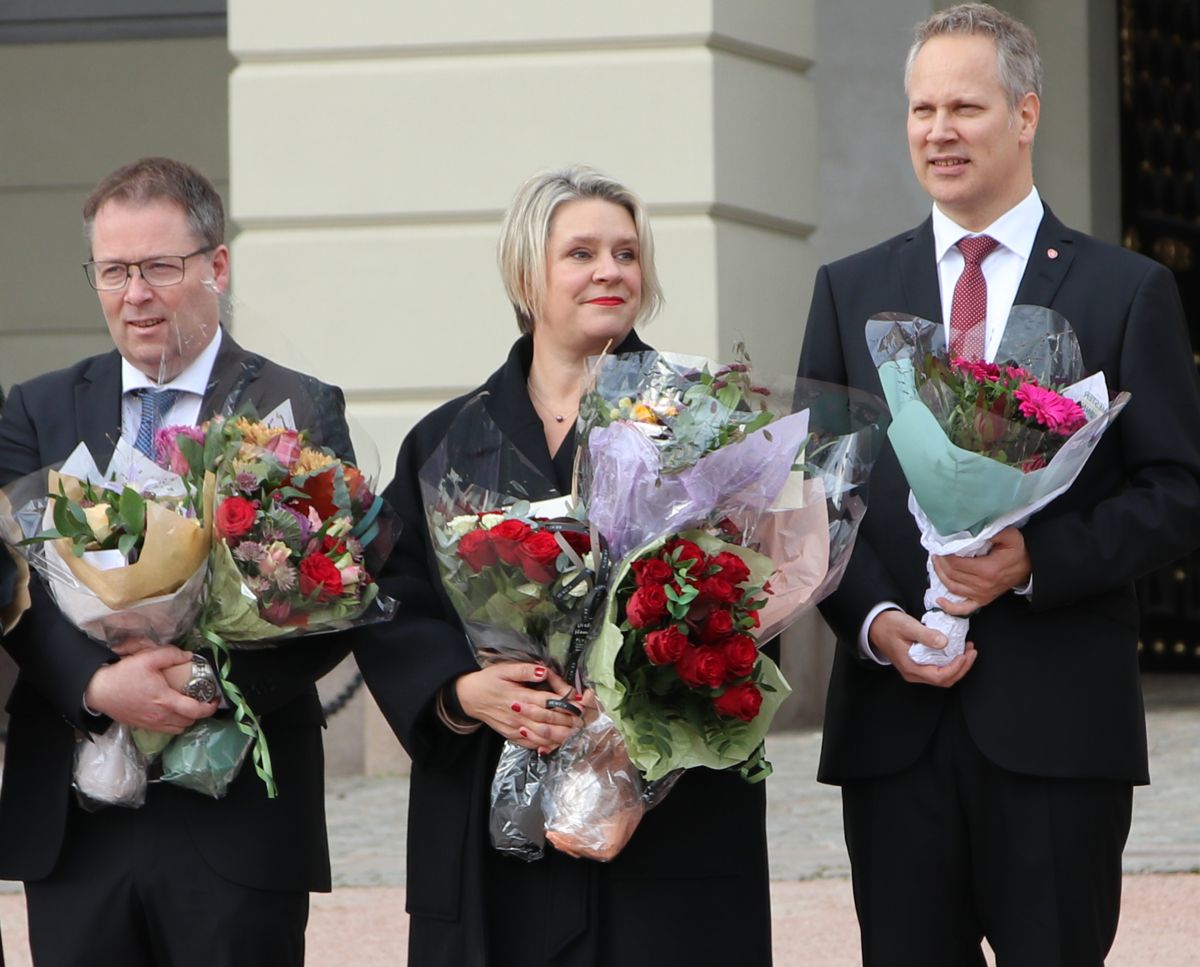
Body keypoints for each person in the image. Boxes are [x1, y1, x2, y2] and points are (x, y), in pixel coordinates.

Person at [799, 5, 1200, 965]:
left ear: (1025, 115)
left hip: (1058, 730)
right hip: (894, 734)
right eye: (921, 108)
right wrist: (874, 620)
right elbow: (812, 496)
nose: (938, 131)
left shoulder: (1124, 290)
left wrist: (1035, 561)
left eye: (965, 107)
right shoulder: (849, 289)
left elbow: (1178, 490)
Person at [354, 164, 775, 966]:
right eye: (580, 252)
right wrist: (463, 690)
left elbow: (759, 598)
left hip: (664, 821)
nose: (609, 270)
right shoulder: (446, 441)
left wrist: (643, 720)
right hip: (493, 809)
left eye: (625, 252)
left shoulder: (701, 420)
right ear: (526, 274)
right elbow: (396, 599)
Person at [0, 157, 352, 967]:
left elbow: (339, 595)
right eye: (115, 270)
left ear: (216, 266)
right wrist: (96, 684)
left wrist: (200, 686)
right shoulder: (36, 409)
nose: (136, 295)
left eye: (161, 267)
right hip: (77, 822)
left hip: (238, 821)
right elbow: (9, 587)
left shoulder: (296, 407)